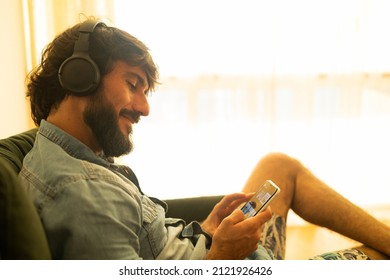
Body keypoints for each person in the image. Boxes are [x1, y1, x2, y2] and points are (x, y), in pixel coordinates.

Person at [19, 18, 390, 260]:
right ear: (79, 78)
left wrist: (210, 229)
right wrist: (221, 255)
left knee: (278, 166)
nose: (144, 109)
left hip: (218, 256)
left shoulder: (72, 155)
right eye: (133, 85)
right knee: (375, 256)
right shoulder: (82, 192)